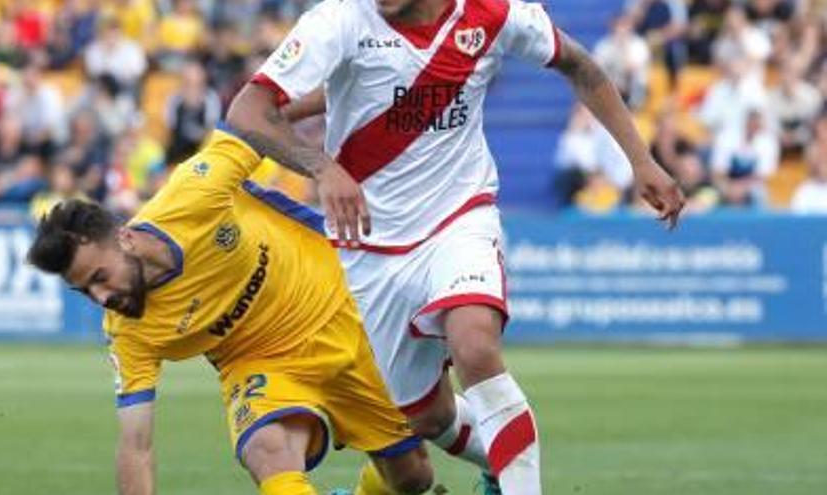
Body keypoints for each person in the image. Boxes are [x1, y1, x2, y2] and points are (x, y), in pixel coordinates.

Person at [228, 0, 686, 493]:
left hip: (458, 217)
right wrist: (323, 166)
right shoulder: (339, 20)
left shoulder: (494, 14)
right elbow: (247, 108)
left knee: (475, 342)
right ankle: (503, 458)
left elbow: (580, 65)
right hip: (369, 246)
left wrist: (641, 160)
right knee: (427, 417)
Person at [25, 128, 434, 495]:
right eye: (85, 291)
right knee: (266, 448)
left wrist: (324, 167)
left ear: (125, 238)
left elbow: (257, 117)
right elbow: (136, 443)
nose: (101, 297)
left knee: (413, 478)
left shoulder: (193, 194)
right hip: (259, 363)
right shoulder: (129, 329)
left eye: (100, 276)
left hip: (339, 308)